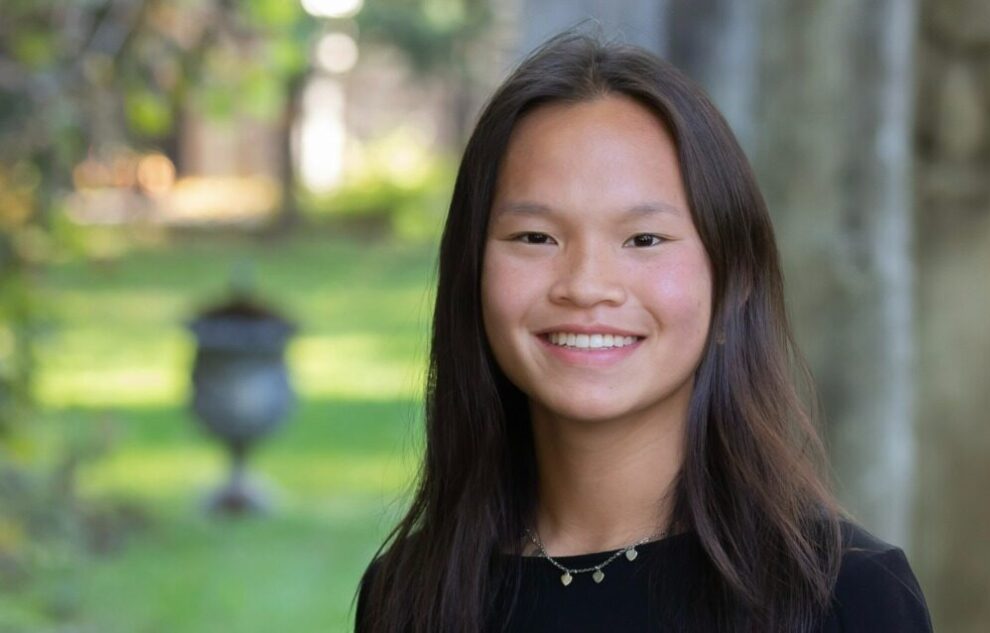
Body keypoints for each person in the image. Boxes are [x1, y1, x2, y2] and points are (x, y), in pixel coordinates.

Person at [354, 31, 933, 633]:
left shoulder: (847, 597)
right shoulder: (410, 592)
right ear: (471, 271)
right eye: (536, 237)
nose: (586, 285)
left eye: (644, 240)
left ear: (733, 277)